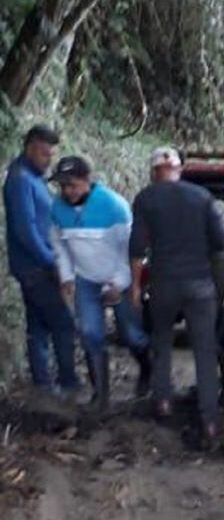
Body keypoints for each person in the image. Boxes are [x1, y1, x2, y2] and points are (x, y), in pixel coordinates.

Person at [130, 147, 224, 447]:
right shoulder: (202, 197)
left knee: (161, 340)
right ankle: (210, 420)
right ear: (178, 169)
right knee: (205, 351)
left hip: (164, 284)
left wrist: (135, 288)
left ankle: (163, 402)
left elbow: (136, 248)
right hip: (200, 284)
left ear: (155, 171)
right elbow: (220, 243)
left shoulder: (146, 198)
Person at [49, 155, 151, 409]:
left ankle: (148, 369)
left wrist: (117, 283)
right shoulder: (57, 209)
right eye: (62, 186)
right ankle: (101, 395)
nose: (66, 191)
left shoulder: (113, 206)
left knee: (131, 335)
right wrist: (67, 276)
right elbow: (59, 246)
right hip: (86, 279)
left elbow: (130, 250)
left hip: (119, 277)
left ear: (86, 180)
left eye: (71, 185)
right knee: (90, 334)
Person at [3, 125, 77, 395]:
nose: (49, 161)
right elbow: (25, 230)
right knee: (63, 324)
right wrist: (52, 262)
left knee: (38, 326)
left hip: (36, 264)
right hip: (35, 267)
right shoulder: (20, 179)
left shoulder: (31, 178)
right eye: (45, 154)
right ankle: (68, 384)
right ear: (31, 147)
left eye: (52, 155)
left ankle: (43, 385)